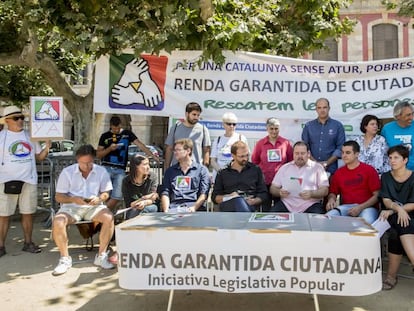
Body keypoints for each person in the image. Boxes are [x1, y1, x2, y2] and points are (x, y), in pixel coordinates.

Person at [52, 144, 114, 275]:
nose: (86, 166)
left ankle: (101, 255)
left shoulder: (101, 171)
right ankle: (64, 258)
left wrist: (99, 198)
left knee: (109, 217)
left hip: (94, 206)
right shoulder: (67, 172)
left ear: (94, 160)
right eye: (82, 163)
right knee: (58, 221)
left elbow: (106, 193)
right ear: (77, 160)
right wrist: (73, 199)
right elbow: (58, 197)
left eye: (89, 163)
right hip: (71, 208)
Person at [0, 106, 50, 258]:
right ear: (7, 120)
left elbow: (39, 157)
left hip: (29, 180)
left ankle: (28, 243)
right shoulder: (1, 137)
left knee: (28, 213)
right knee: (3, 214)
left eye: (22, 117)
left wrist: (47, 146)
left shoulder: (30, 136)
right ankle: (0, 246)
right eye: (16, 118)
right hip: (5, 181)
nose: (20, 120)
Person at [97, 115, 158, 211]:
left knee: (117, 195)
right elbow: (99, 154)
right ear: (110, 126)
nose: (116, 130)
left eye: (117, 128)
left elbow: (140, 145)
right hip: (106, 167)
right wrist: (109, 149)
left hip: (120, 168)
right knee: (104, 193)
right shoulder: (105, 136)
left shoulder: (127, 134)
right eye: (114, 128)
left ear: (121, 125)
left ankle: (103, 212)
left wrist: (152, 155)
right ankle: (104, 214)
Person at [378, 145, 414, 290]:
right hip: (393, 214)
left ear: (405, 160)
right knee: (399, 225)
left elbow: (413, 203)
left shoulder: (413, 177)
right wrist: (398, 209)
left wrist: (397, 211)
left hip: (410, 213)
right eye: (390, 158)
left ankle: (391, 276)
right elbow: (386, 200)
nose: (392, 161)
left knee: (400, 227)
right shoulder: (386, 176)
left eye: (396, 158)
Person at [325, 140, 381, 224]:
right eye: (343, 152)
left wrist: (360, 207)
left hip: (367, 207)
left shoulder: (369, 170)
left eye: (348, 153)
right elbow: (333, 192)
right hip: (346, 208)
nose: (344, 155)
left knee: (367, 223)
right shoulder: (339, 172)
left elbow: (377, 195)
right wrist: (331, 200)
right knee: (328, 219)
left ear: (357, 154)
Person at [270, 141, 329, 214]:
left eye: (302, 153)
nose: (299, 156)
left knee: (317, 222)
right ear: (293, 154)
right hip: (287, 204)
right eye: (297, 153)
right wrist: (279, 192)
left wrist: (311, 194)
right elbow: (273, 188)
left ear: (308, 154)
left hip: (310, 205)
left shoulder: (317, 168)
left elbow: (325, 190)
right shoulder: (285, 168)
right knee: (271, 218)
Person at [212, 141, 268, 212]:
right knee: (238, 200)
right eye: (241, 156)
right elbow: (214, 197)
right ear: (233, 156)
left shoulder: (255, 170)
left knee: (241, 203)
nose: (245, 158)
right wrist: (229, 197)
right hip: (229, 206)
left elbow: (264, 193)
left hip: (250, 204)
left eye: (247, 155)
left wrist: (254, 201)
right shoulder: (223, 172)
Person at [251, 117, 293, 211]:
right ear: (267, 129)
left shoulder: (285, 143)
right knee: (265, 209)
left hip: (281, 183)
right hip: (264, 182)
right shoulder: (260, 144)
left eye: (276, 128)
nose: (274, 131)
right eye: (271, 128)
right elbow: (255, 161)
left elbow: (291, 161)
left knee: (280, 209)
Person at [161, 138, 210, 212]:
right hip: (174, 207)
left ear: (188, 151)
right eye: (175, 150)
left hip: (194, 207)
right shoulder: (170, 171)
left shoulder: (201, 170)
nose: (175, 152)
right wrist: (166, 211)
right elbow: (165, 193)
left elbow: (204, 193)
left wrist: (194, 208)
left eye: (179, 150)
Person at [301, 97, 346, 175]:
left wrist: (326, 163)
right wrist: (315, 164)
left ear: (329, 108)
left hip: (331, 169)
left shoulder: (338, 126)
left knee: (331, 187)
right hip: (311, 168)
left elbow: (340, 148)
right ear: (316, 109)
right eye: (319, 108)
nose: (322, 110)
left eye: (325, 107)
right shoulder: (308, 126)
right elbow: (305, 147)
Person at [164, 102, 211, 170]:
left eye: (198, 115)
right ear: (187, 114)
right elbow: (169, 148)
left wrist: (205, 170)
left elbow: (206, 150)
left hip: (195, 170)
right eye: (194, 114)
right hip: (177, 169)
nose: (196, 117)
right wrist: (167, 168)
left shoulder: (203, 129)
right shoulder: (175, 128)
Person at [210, 112, 248, 181]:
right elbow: (213, 161)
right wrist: (222, 172)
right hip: (220, 177)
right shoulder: (217, 140)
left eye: (234, 124)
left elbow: (246, 158)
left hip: (237, 177)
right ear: (223, 124)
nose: (231, 126)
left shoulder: (241, 138)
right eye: (229, 124)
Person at [122, 154, 159, 219]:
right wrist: (142, 199)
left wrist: (144, 202)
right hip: (133, 207)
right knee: (134, 211)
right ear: (136, 166)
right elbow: (128, 203)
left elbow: (153, 199)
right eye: (145, 164)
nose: (148, 167)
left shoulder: (152, 177)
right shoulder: (126, 181)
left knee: (144, 210)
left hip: (150, 205)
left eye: (148, 164)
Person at [381, 101, 414, 170]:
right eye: (408, 115)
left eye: (412, 114)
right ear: (398, 116)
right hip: (395, 171)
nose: (411, 117)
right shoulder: (387, 129)